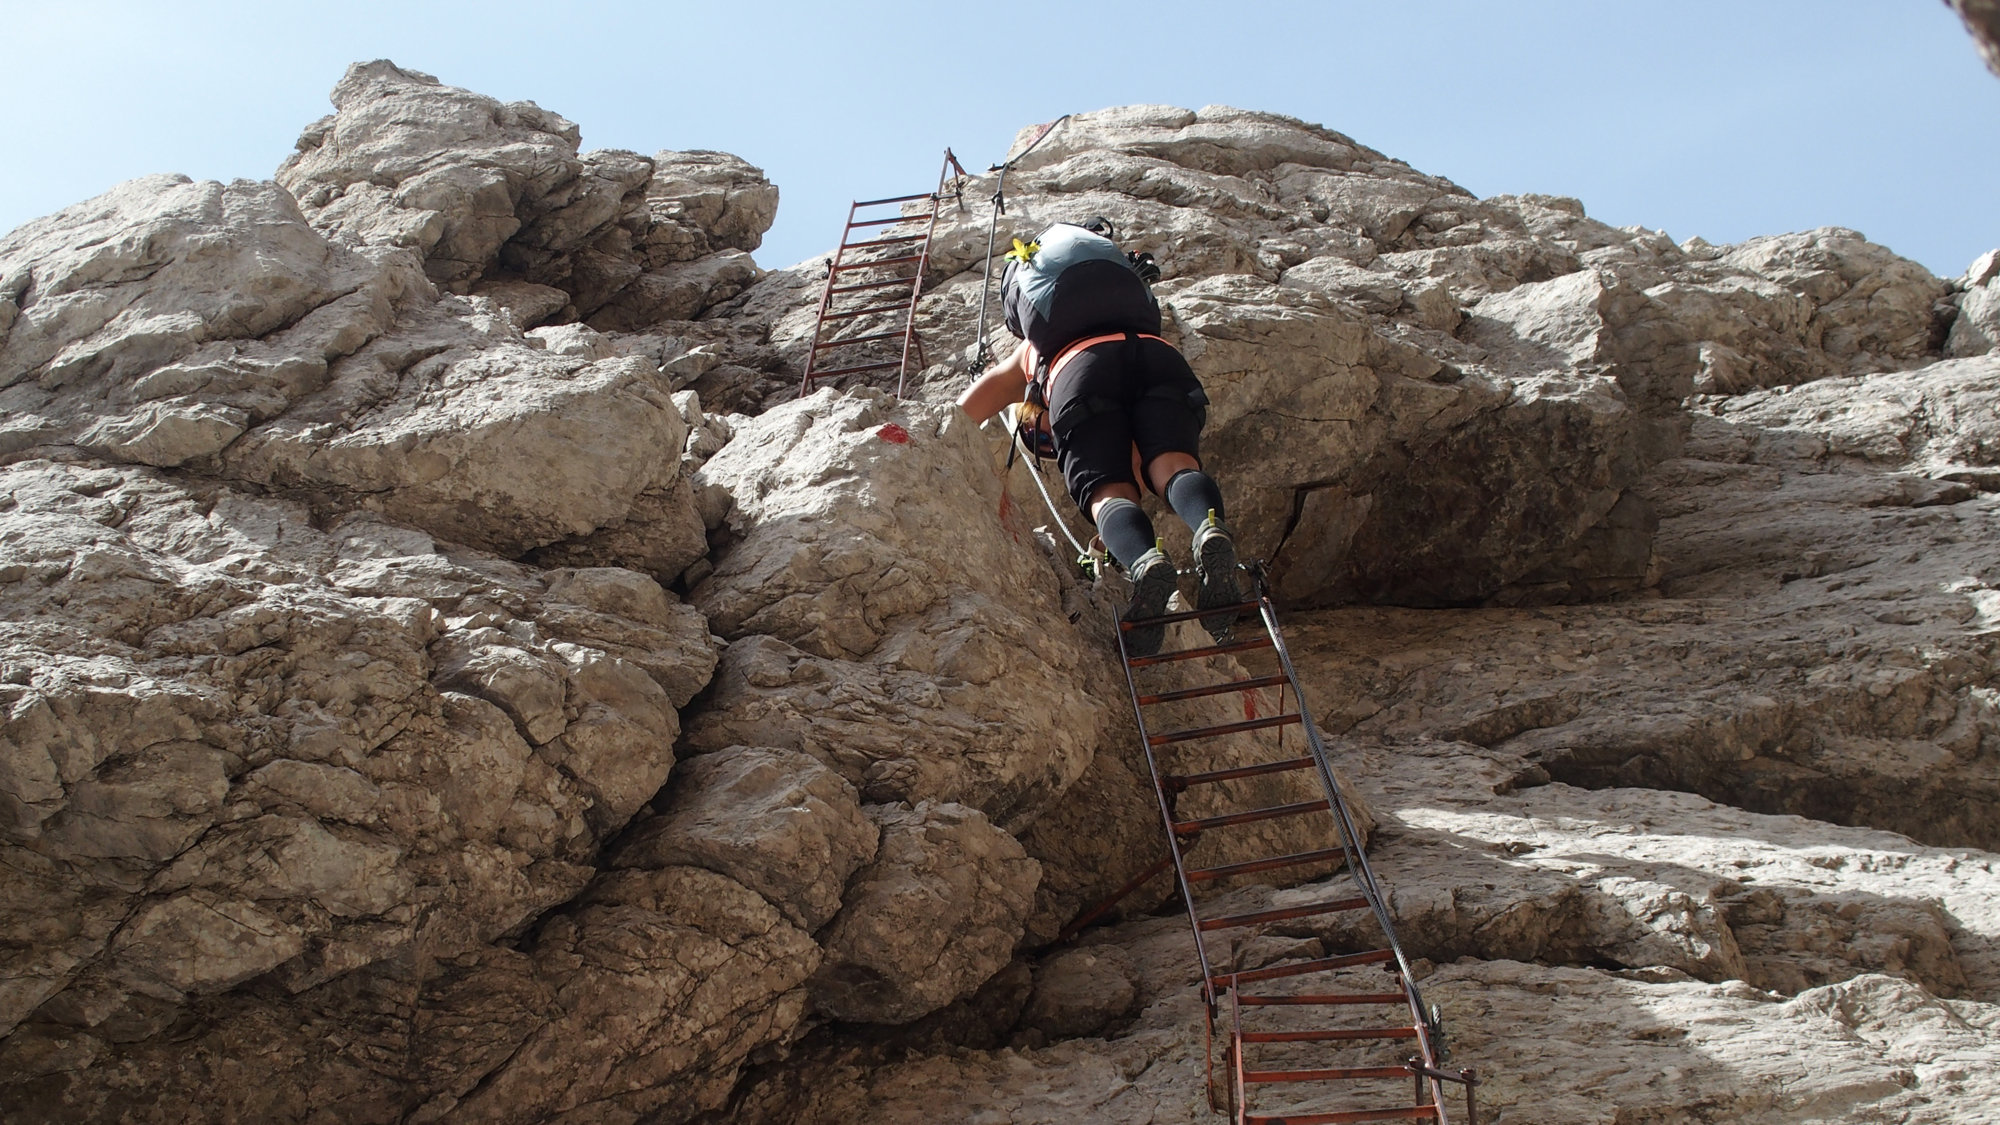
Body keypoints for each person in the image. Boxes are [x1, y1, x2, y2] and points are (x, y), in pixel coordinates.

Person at [957, 218, 1241, 657]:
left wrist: (936, 439)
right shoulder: (1126, 313)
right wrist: (1108, 544)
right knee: (1174, 466)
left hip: (1079, 372)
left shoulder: (1033, 355)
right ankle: (1208, 530)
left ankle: (1148, 566)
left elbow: (964, 413)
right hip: (1159, 357)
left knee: (1105, 493)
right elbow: (1136, 464)